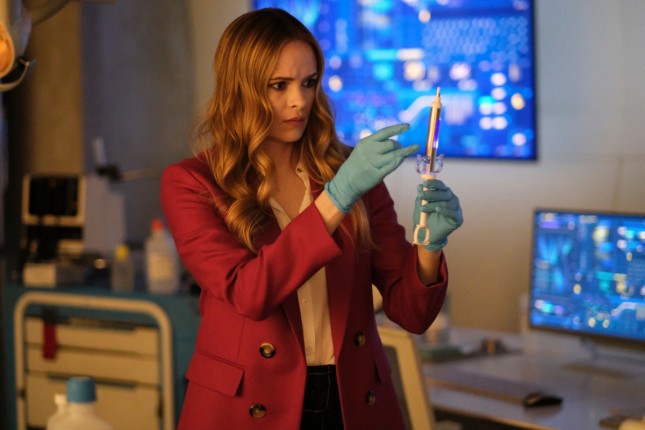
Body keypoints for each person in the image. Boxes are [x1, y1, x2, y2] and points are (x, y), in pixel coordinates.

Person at [161, 7, 463, 430]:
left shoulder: (349, 171)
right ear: (240, 89)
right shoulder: (192, 182)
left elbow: (411, 314)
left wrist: (429, 248)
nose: (299, 101)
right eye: (279, 85)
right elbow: (249, 294)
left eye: (308, 82)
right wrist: (337, 198)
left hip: (352, 400)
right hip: (247, 406)